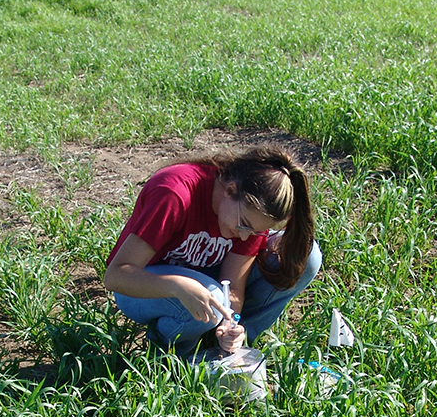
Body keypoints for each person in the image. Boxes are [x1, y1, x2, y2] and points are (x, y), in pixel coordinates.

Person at [103, 145, 321, 358]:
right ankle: (170, 354)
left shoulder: (251, 214)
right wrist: (177, 287)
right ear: (230, 190)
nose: (245, 237)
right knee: (211, 300)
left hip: (206, 283)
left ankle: (231, 347)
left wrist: (231, 322)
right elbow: (116, 276)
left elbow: (233, 287)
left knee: (306, 255)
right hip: (143, 289)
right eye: (244, 225)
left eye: (254, 231)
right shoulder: (175, 194)